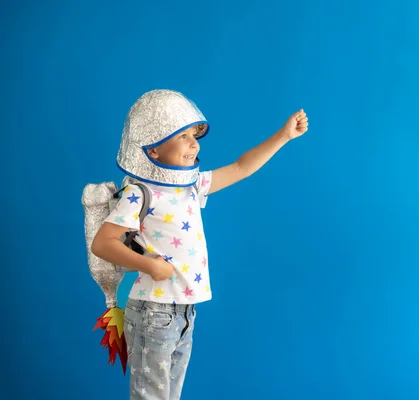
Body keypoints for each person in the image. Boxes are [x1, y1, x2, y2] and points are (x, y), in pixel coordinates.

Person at [91, 89, 308, 399]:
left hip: (183, 312)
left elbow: (240, 167)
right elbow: (103, 243)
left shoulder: (191, 186)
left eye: (195, 135)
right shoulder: (139, 193)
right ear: (152, 149)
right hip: (154, 310)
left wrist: (283, 136)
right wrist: (149, 265)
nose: (194, 143)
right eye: (182, 136)